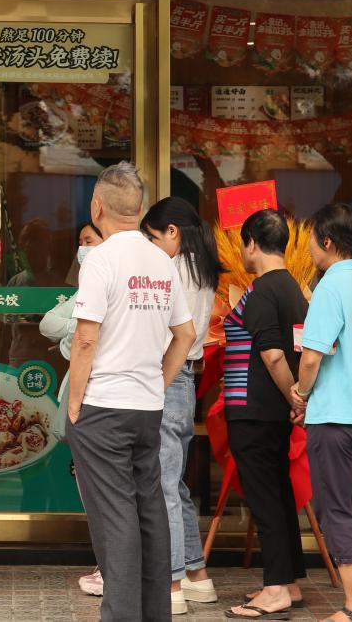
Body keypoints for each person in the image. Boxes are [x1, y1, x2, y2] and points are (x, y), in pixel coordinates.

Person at [66, 163, 197, 622]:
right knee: (148, 511)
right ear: (140, 209)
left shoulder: (100, 259)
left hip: (103, 405)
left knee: (114, 517)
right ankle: (154, 613)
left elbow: (85, 338)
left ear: (97, 207)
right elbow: (186, 334)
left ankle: (120, 615)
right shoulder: (161, 260)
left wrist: (75, 402)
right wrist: (158, 383)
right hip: (146, 408)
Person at [292, 204, 352, 622]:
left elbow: (311, 357)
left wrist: (300, 393)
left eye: (312, 240)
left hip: (334, 417)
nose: (309, 249)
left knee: (336, 511)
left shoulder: (329, 287)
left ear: (327, 242)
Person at [222, 209, 308, 619]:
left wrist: (294, 398)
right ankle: (288, 581)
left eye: (243, 244)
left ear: (252, 243)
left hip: (252, 407)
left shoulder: (260, 291)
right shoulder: (293, 289)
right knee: (278, 492)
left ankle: (275, 589)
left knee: (264, 497)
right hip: (272, 411)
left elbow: (273, 355)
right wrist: (296, 398)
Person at [141, 197, 221, 616]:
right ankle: (196, 575)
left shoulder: (172, 270)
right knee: (177, 483)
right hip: (187, 379)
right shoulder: (202, 268)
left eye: (153, 237)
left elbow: (167, 333)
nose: (151, 247)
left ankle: (170, 583)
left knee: (163, 485)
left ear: (172, 231)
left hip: (167, 375)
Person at [39, 222, 106, 599]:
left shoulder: (105, 282)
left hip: (99, 396)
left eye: (89, 241)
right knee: (95, 484)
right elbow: (49, 323)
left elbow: (84, 339)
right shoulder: (86, 286)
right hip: (109, 398)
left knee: (104, 487)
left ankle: (111, 567)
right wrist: (75, 326)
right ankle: (110, 564)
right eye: (80, 242)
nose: (83, 248)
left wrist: (75, 330)